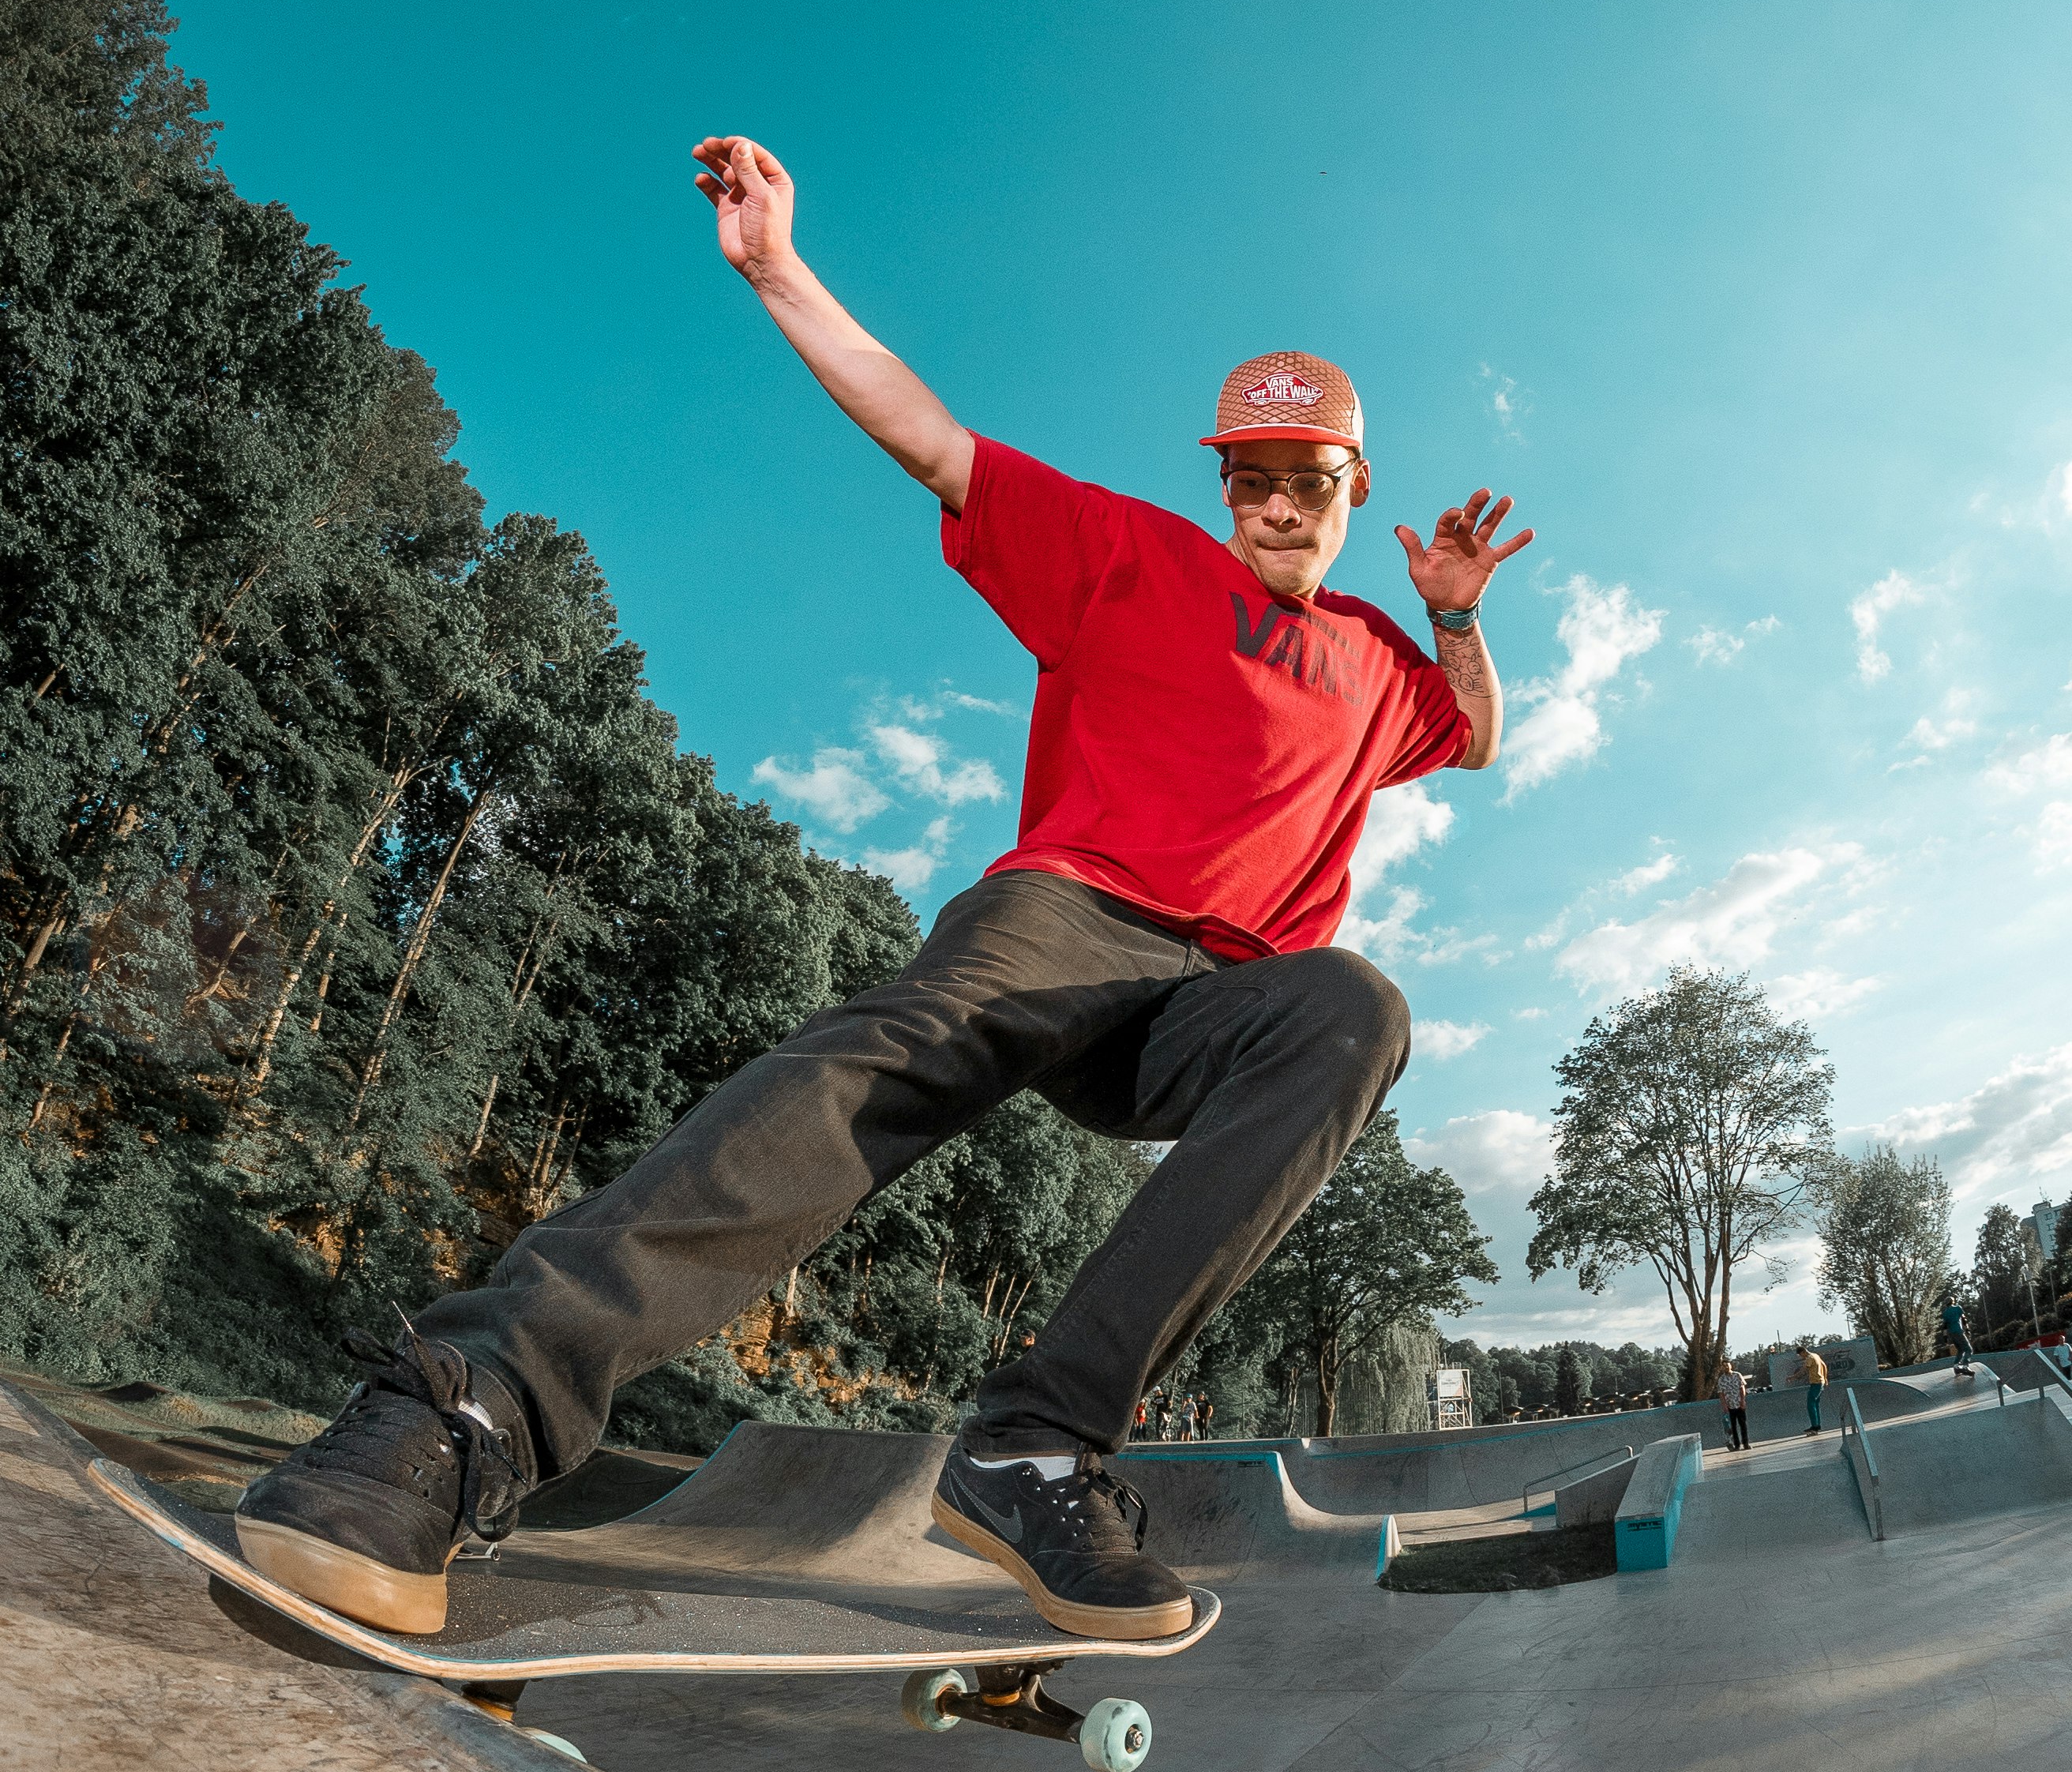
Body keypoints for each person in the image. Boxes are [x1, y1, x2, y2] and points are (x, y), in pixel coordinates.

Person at [234, 133, 1528, 1647]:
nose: (1277, 508)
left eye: (1307, 482)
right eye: (1251, 479)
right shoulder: (1129, 554)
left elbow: (1480, 736)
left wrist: (1453, 619)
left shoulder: (1381, 661)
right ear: (1222, 481)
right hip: (1064, 920)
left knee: (1352, 1009)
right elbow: (931, 439)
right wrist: (781, 271)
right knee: (876, 1067)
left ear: (1350, 482)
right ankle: (462, 1405)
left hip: (1214, 1006)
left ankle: (1035, 1445)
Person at [1714, 1362, 1750, 1454]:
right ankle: (1737, 1445)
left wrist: (1743, 1401)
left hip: (1739, 1403)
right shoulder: (1721, 1379)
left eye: (1727, 1365)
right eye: (1723, 1366)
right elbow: (1721, 1394)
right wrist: (1724, 1405)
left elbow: (1742, 1389)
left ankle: (1746, 1443)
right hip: (1730, 1405)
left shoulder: (1737, 1375)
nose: (1726, 1367)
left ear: (1730, 1365)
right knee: (1733, 1426)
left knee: (1743, 1424)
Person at [1942, 1297, 1976, 1380]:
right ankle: (1965, 1366)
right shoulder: (1958, 1308)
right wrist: (1967, 1329)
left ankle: (1956, 1367)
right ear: (1953, 1302)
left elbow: (1944, 1326)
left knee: (1960, 1350)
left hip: (1951, 1334)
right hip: (1958, 1332)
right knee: (1969, 1349)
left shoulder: (1945, 1313)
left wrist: (1945, 1338)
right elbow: (1964, 1319)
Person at [1800, 1342, 1829, 1432]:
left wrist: (1792, 1377)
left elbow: (1803, 1371)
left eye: (1801, 1355)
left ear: (1804, 1352)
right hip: (1821, 1383)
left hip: (1816, 1383)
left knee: (1810, 1404)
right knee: (1815, 1404)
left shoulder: (1809, 1358)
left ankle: (1815, 1426)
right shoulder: (1816, 1355)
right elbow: (1824, 1366)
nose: (1802, 1358)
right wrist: (1825, 1378)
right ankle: (1817, 1425)